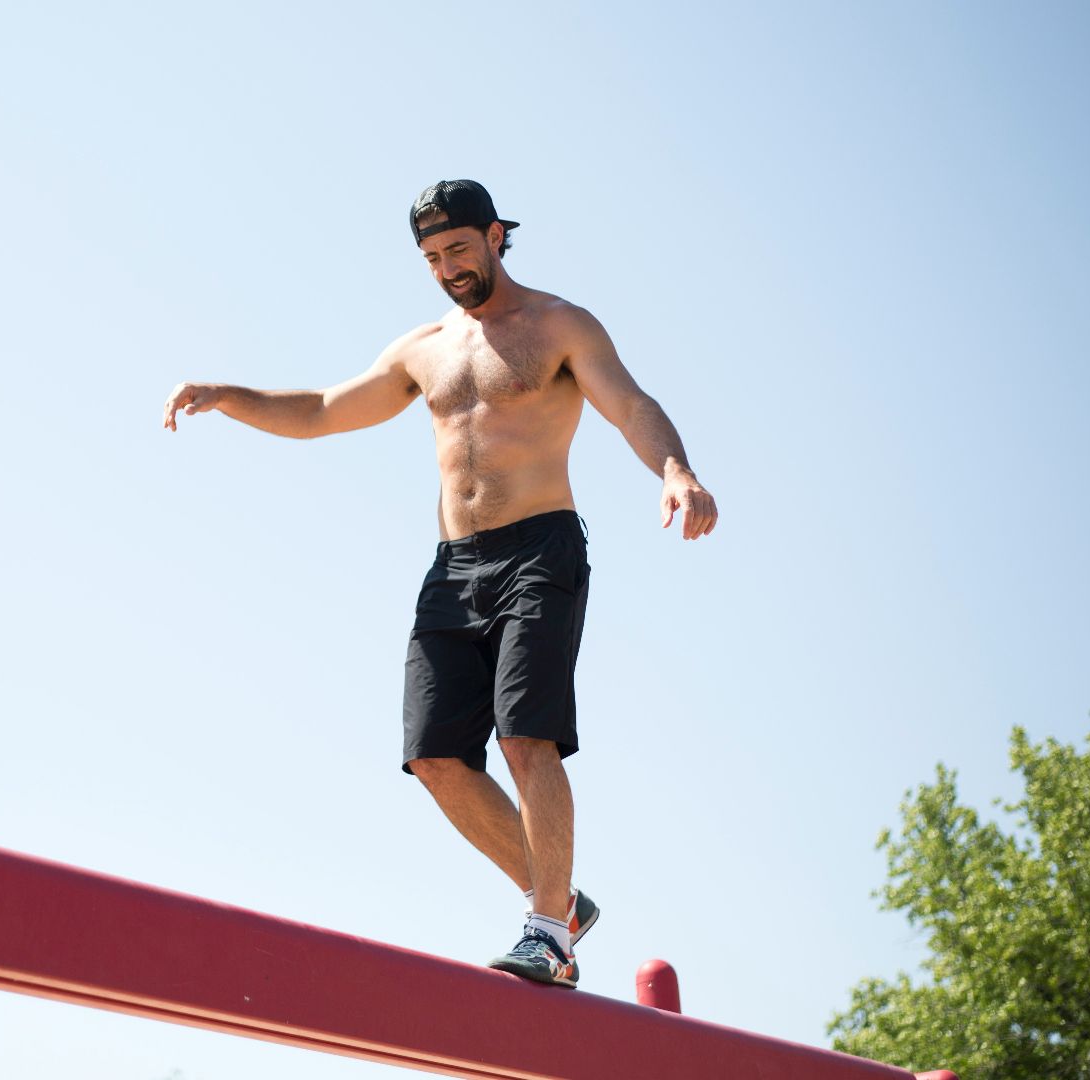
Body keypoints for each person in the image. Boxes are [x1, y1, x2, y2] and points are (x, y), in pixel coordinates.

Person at [162, 179, 718, 987]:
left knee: (525, 735)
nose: (448, 268)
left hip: (539, 551)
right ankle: (559, 900)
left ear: (497, 236)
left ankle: (547, 932)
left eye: (459, 249)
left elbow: (631, 405)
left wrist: (675, 471)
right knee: (434, 757)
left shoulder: (559, 325)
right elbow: (321, 408)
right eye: (431, 258)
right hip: (454, 567)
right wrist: (229, 396)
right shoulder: (423, 347)